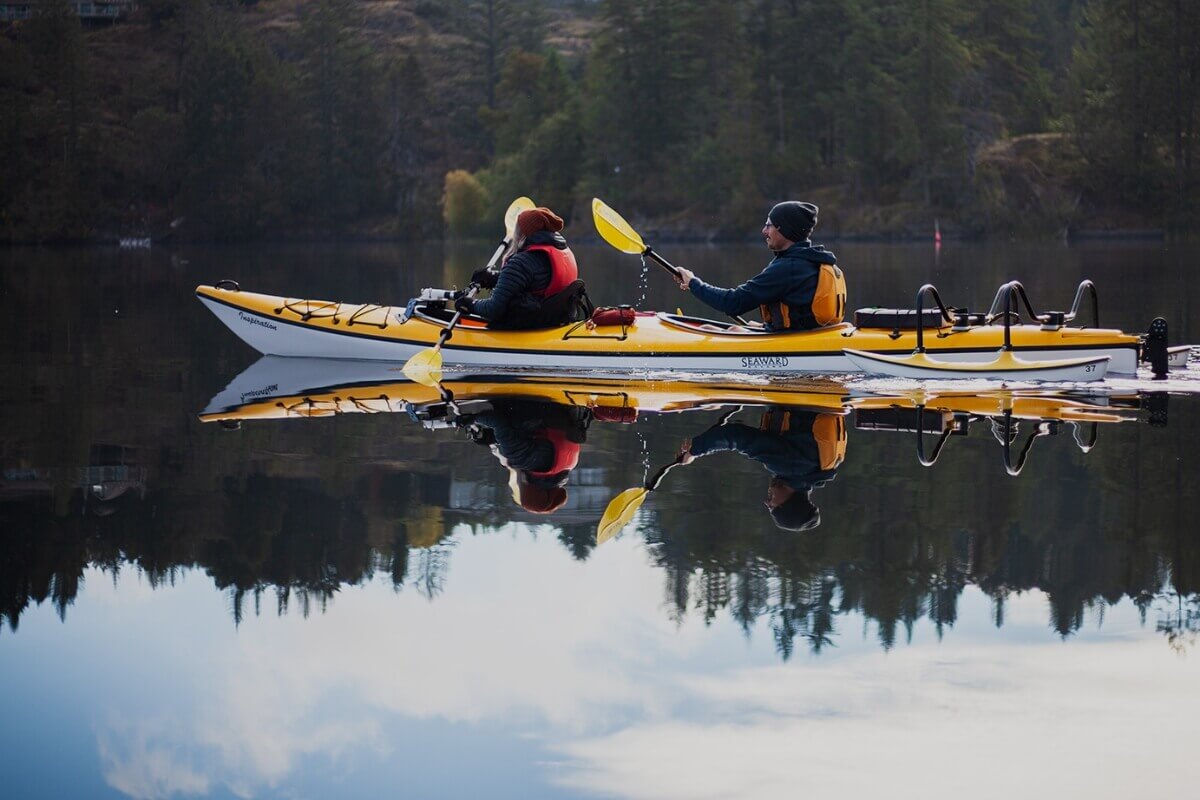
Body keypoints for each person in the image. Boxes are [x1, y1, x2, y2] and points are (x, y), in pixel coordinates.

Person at [674, 202, 843, 331]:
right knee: (730, 329)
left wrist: (693, 283)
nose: (764, 231)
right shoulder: (813, 261)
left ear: (783, 229)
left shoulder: (788, 268)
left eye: (768, 225)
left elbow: (733, 303)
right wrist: (765, 327)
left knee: (706, 330)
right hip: (804, 335)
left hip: (791, 342)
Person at [678, 407, 844, 530]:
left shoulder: (819, 468)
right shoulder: (788, 466)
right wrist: (695, 450)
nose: (767, 502)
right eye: (773, 507)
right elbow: (736, 436)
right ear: (788, 503)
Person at [455, 207, 591, 330]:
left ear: (522, 234)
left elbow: (493, 309)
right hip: (556, 320)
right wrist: (493, 278)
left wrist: (471, 304)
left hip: (528, 326)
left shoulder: (521, 262)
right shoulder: (562, 251)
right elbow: (532, 281)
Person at [465, 398, 591, 514]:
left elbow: (535, 438)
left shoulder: (569, 465)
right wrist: (472, 419)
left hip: (561, 404)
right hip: (530, 400)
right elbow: (498, 421)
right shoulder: (523, 461)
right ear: (528, 490)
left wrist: (493, 437)